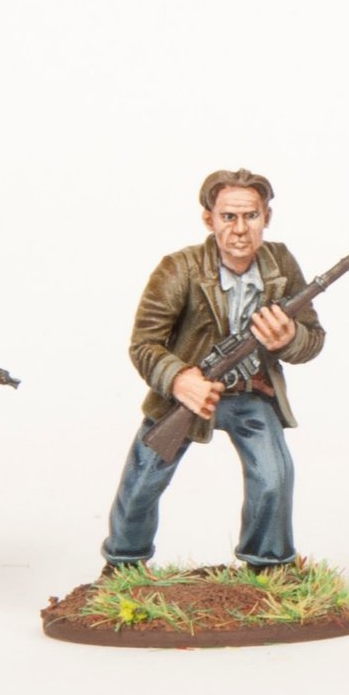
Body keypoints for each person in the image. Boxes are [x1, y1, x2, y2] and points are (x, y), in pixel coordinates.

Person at [102, 167, 324, 576]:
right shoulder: (179, 268)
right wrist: (179, 379)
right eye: (228, 217)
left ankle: (268, 565)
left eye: (251, 216)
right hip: (188, 396)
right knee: (143, 482)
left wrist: (289, 337)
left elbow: (313, 339)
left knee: (273, 476)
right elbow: (144, 344)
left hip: (251, 393)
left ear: (266, 217)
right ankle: (123, 562)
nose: (240, 230)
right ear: (209, 219)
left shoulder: (280, 263)